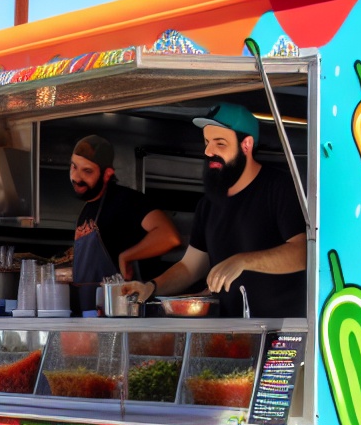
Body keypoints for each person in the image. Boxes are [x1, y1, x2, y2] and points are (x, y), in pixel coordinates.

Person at [126, 103, 307, 317]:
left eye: (220, 143)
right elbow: (190, 267)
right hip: (228, 330)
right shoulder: (208, 204)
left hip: (281, 331)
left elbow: (303, 253)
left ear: (246, 145)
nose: (208, 152)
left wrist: (243, 261)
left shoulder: (280, 187)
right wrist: (152, 287)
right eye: (207, 142)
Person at [71, 134, 181, 310]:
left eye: (87, 171)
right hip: (91, 313)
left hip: (125, 311)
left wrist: (127, 256)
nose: (76, 177)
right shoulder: (87, 207)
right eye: (74, 167)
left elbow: (169, 236)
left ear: (107, 174)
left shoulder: (126, 200)